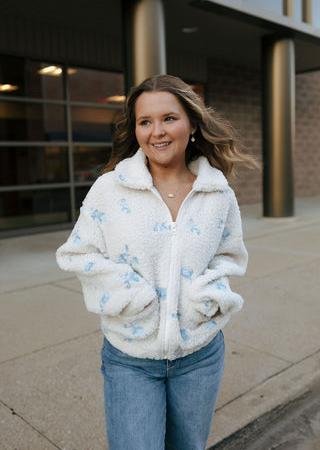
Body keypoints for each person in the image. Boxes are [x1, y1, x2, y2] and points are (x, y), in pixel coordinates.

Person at [56, 74, 256, 450]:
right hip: (131, 357)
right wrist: (131, 296)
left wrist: (207, 295)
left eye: (169, 118)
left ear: (192, 124)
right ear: (135, 130)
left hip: (200, 354)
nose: (157, 132)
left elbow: (230, 255)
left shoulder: (217, 193)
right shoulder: (110, 189)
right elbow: (77, 253)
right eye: (145, 121)